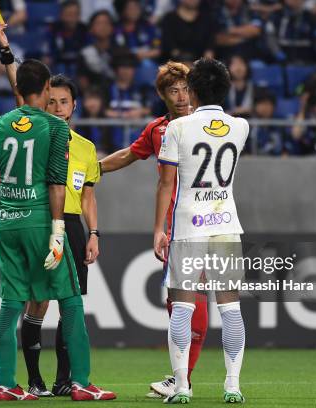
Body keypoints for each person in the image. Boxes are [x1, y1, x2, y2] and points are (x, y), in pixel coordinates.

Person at [0, 26, 113, 401]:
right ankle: (42, 380)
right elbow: (22, 87)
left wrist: (94, 233)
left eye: (64, 102)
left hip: (57, 223)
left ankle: (60, 380)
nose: (57, 107)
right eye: (52, 100)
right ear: (45, 98)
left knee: (53, 301)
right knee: (53, 302)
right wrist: (5, 48)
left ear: (74, 105)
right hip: (46, 221)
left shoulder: (83, 147)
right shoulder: (43, 129)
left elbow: (87, 196)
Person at [99, 61, 210, 400]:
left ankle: (184, 379)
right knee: (183, 306)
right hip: (178, 228)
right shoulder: (157, 130)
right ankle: (182, 378)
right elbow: (128, 156)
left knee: (198, 309)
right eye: (173, 90)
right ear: (162, 95)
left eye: (186, 89)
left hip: (209, 223)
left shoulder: (208, 125)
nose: (181, 96)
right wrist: (91, 168)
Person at [153, 57, 248, 404]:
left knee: (182, 308)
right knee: (231, 309)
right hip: (226, 226)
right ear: (226, 89)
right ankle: (233, 385)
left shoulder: (177, 129)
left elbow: (166, 184)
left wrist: (157, 230)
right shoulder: (241, 126)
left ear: (192, 90)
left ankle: (180, 387)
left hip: (188, 225)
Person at [265, 0, 316, 64]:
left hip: (308, 61)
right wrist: (277, 53)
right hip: (282, 63)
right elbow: (270, 39)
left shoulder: (310, 17)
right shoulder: (276, 16)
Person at [78, 10, 116, 92]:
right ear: (91, 29)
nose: (103, 27)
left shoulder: (120, 51)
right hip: (94, 96)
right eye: (99, 23)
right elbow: (83, 81)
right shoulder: (85, 53)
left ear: (112, 28)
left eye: (106, 23)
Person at [44, 0, 89, 70]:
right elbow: (48, 53)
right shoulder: (53, 30)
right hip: (57, 66)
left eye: (76, 14)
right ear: (61, 15)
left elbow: (88, 53)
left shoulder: (84, 30)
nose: (72, 18)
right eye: (69, 14)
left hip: (80, 68)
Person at [248, 90, 287, 155]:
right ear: (255, 106)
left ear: (274, 107)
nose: (265, 108)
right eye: (262, 104)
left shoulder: (280, 123)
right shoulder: (249, 125)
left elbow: (286, 148)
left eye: (268, 104)